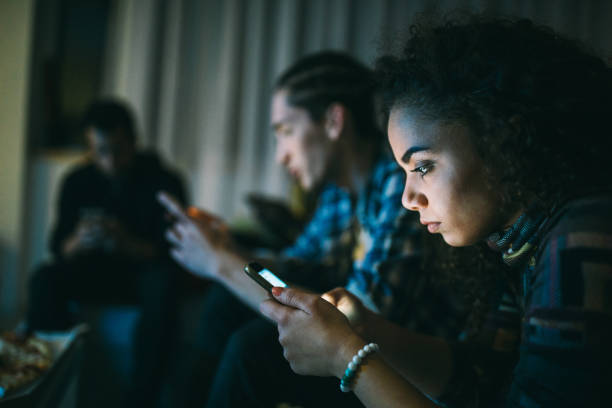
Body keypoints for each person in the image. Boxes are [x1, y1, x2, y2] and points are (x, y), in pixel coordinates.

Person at [261, 16, 612, 407]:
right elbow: (482, 378)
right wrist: (366, 328)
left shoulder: (582, 239)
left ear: (503, 140)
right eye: (404, 172)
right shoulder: (514, 245)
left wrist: (346, 357)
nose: (408, 199)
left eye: (423, 167)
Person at [159, 51, 462, 408]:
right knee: (227, 301)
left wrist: (220, 263)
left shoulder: (400, 185)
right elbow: (289, 270)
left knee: (254, 347)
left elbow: (361, 316)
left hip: (398, 374)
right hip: (362, 347)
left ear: (334, 121)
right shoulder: (339, 196)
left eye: (286, 131)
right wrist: (226, 246)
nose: (280, 155)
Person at [27, 99, 187, 407]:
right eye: (100, 151)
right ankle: (47, 384)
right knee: (44, 278)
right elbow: (58, 247)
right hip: (92, 271)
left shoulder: (164, 181)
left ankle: (142, 399)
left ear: (133, 141)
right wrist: (78, 240)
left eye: (118, 149)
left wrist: (127, 243)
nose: (110, 160)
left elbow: (174, 253)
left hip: (139, 275)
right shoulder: (76, 181)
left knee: (163, 284)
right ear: (89, 146)